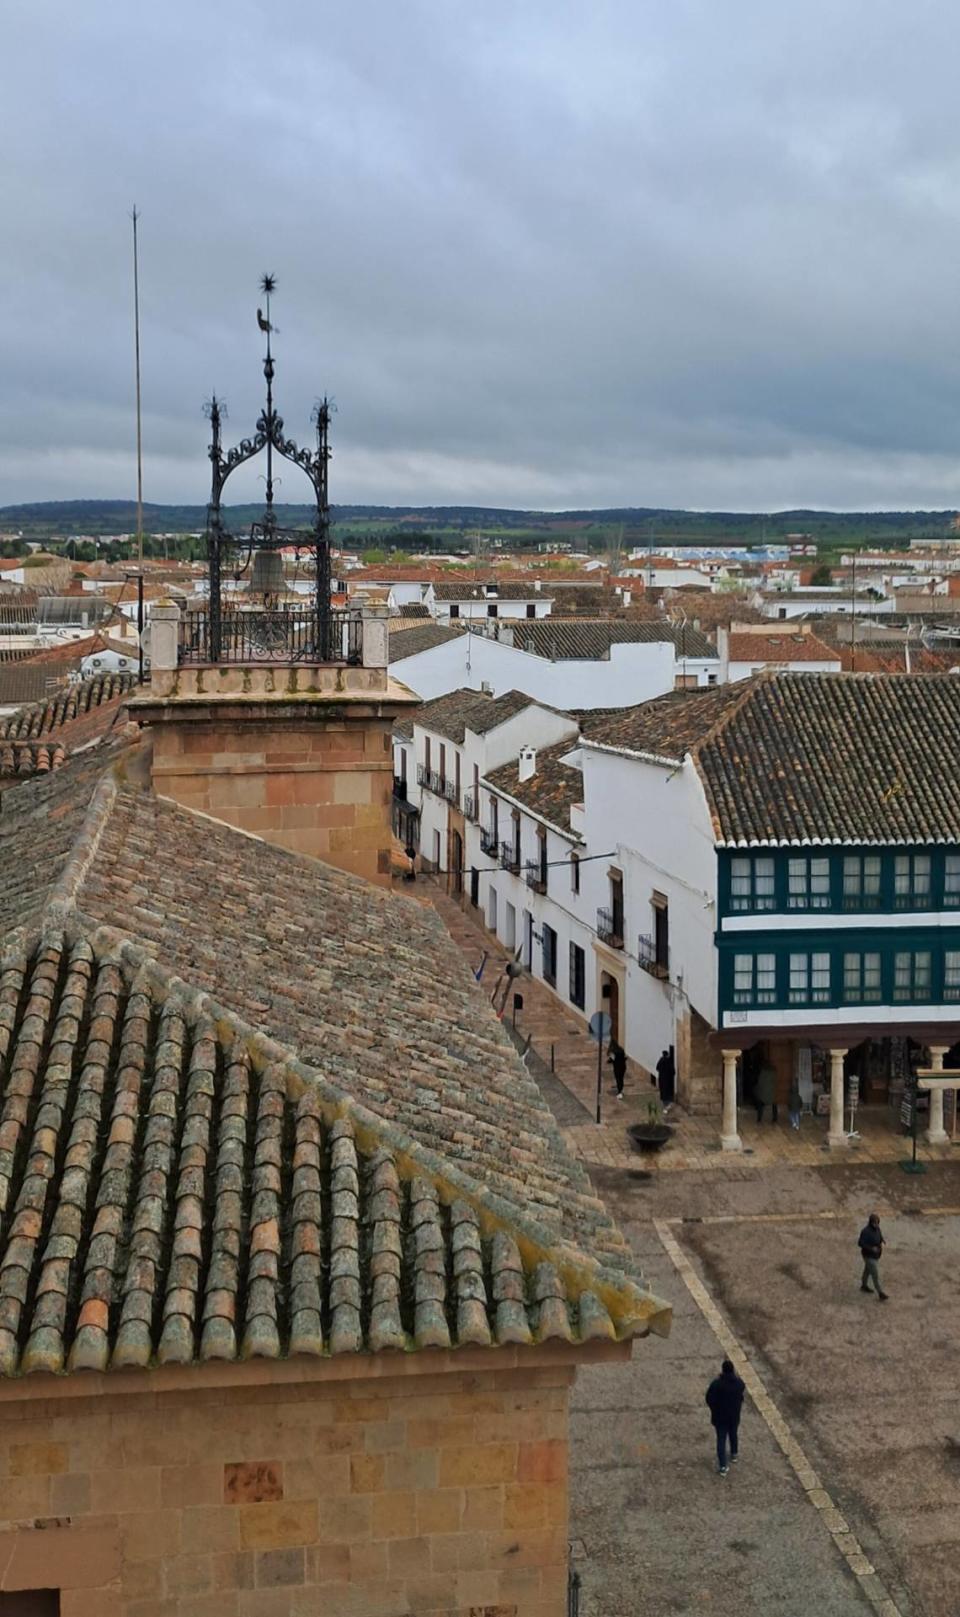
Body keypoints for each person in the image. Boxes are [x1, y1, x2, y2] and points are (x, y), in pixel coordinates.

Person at [705, 1358, 745, 1476]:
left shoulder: (717, 1384)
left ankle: (723, 1466)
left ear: (723, 1370)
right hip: (734, 1416)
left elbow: (709, 1399)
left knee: (721, 1440)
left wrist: (714, 1409)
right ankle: (734, 1454)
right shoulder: (739, 1384)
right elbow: (741, 1396)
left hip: (720, 1417)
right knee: (733, 1434)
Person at [858, 1212, 888, 1301]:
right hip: (869, 1256)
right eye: (875, 1223)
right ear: (871, 1222)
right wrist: (871, 1249)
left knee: (867, 1270)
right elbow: (860, 1243)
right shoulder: (865, 1231)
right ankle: (880, 1292)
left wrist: (882, 1239)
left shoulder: (877, 1228)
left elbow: (879, 1234)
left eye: (877, 1223)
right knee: (875, 1274)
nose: (876, 1225)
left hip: (876, 1255)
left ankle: (863, 1285)